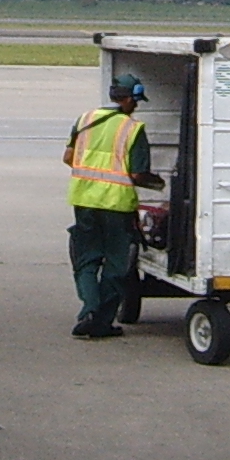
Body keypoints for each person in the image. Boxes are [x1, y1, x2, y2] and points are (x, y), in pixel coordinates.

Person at [64, 74, 164, 338]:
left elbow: (68, 157)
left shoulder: (84, 119)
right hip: (116, 205)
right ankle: (101, 322)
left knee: (86, 259)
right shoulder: (132, 129)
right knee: (116, 265)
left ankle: (89, 308)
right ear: (128, 99)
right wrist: (159, 183)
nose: (137, 106)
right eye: (136, 101)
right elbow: (138, 174)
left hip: (84, 200)